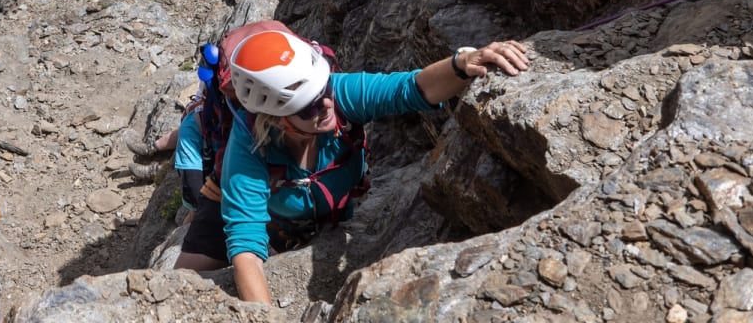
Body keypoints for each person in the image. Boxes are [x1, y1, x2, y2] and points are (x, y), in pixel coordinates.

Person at [173, 27, 529, 304]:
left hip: (317, 211)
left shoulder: (336, 94)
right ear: (279, 120)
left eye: (325, 90)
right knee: (179, 283)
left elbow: (411, 88)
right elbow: (246, 247)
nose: (327, 105)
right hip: (237, 204)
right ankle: (191, 216)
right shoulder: (247, 149)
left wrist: (462, 64)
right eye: (311, 108)